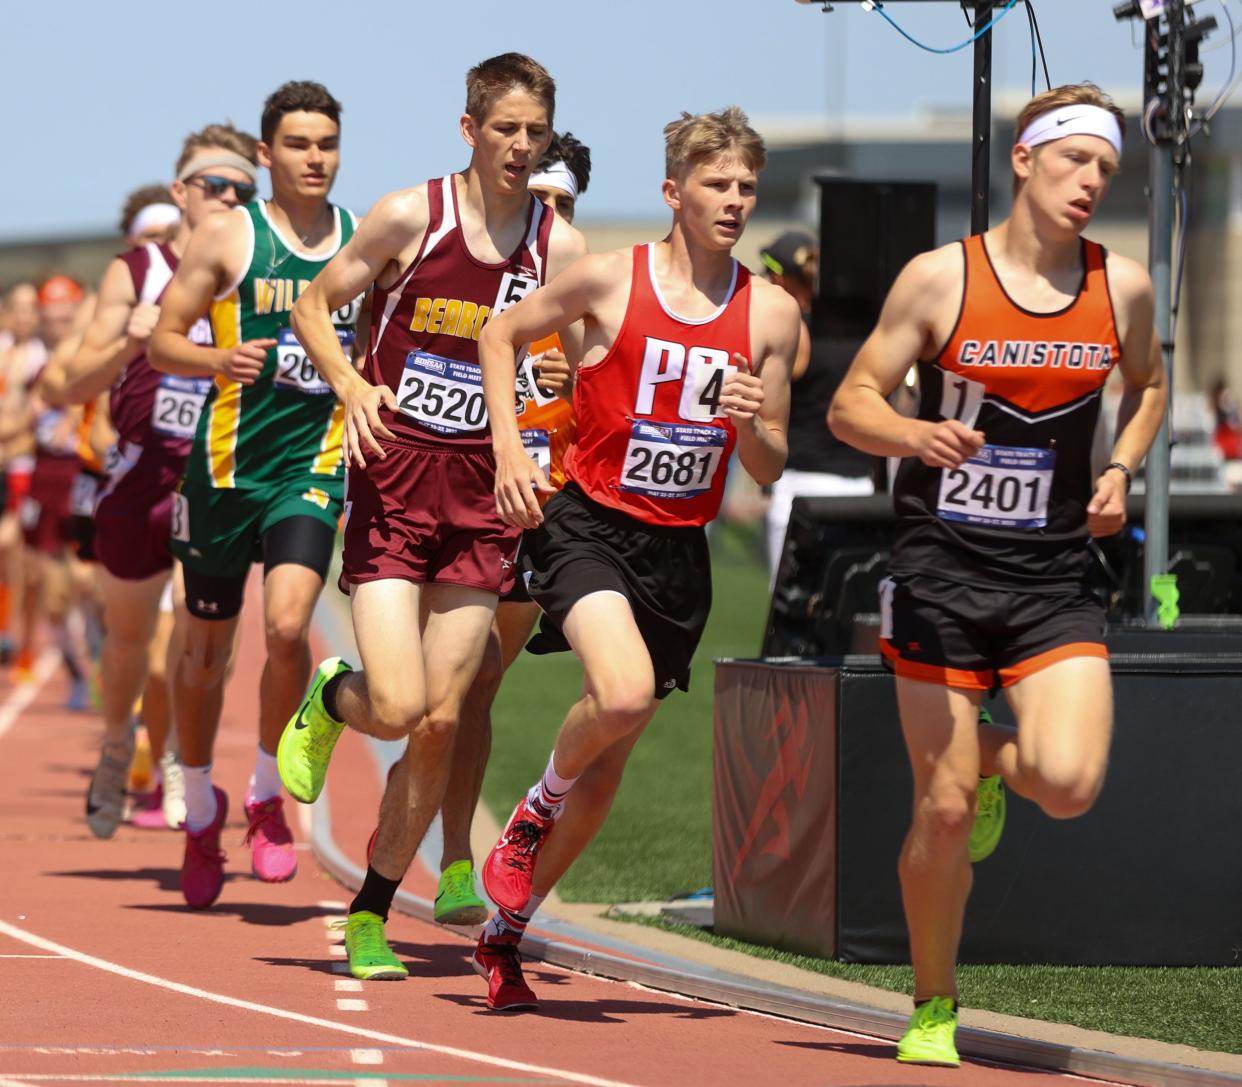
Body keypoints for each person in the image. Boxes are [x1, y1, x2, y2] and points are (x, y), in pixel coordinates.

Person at [827, 84, 1166, 1067]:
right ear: (1025, 159)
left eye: (1106, 168)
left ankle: (987, 765)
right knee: (936, 808)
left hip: (1054, 573)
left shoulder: (1124, 288)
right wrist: (914, 431)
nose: (1092, 182)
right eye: (1075, 161)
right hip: (939, 568)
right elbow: (853, 404)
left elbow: (1148, 385)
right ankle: (935, 1005)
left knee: (1067, 782)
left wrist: (1118, 466)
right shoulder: (941, 281)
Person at [473, 105, 798, 1011]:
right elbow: (498, 337)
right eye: (717, 185)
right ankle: (530, 814)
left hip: (676, 550)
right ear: (673, 192)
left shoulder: (770, 314)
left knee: (610, 762)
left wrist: (751, 422)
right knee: (614, 693)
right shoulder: (610, 280)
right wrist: (508, 451)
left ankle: (507, 930)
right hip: (586, 521)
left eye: (746, 188)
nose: (734, 202)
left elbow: (770, 466)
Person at [276, 53, 584, 981]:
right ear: (469, 130)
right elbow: (314, 303)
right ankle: (335, 694)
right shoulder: (413, 214)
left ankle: (370, 907)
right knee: (399, 701)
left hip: (485, 493)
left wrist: (567, 375)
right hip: (395, 478)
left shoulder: (557, 248)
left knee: (444, 720)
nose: (520, 147)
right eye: (504, 129)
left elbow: (586, 353)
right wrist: (351, 382)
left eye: (535, 133)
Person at [365, 129, 594, 928]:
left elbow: (615, 370)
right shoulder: (470, 256)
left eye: (562, 201)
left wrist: (580, 372)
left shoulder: (570, 268)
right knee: (435, 695)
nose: (547, 209)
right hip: (453, 482)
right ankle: (445, 850)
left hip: (539, 496)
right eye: (541, 196)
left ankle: (455, 854)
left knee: (477, 685)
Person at [149, 83, 357, 909]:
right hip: (225, 471)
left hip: (313, 463)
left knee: (286, 625)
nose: (316, 158)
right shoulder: (229, 237)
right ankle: (202, 805)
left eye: (328, 143)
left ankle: (268, 793)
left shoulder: (361, 240)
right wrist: (215, 361)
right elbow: (164, 339)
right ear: (266, 155)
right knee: (202, 655)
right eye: (300, 144)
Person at [44, 125, 260, 839]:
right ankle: (116, 743)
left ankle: (175, 757)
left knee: (193, 636)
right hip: (139, 473)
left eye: (242, 189)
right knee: (131, 640)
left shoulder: (258, 265)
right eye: (215, 185)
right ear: (182, 193)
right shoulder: (136, 269)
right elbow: (67, 384)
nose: (229, 198)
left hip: (216, 475)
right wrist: (126, 342)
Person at [758, 230, 875, 580]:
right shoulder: (862, 330)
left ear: (779, 276)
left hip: (802, 485)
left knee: (792, 611)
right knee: (850, 607)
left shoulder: (795, 332)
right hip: (860, 487)